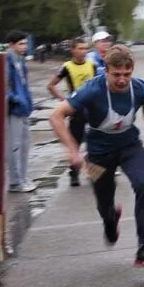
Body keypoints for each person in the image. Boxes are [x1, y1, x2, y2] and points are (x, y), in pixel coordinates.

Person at [49, 45, 144, 267]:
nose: (121, 80)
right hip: (97, 154)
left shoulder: (140, 89)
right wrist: (72, 149)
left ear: (132, 70)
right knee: (103, 202)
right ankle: (110, 219)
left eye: (126, 74)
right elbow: (56, 116)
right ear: (106, 70)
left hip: (130, 146)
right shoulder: (91, 90)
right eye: (116, 75)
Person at [47, 38, 98, 186]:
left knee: (94, 140)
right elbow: (51, 85)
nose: (84, 51)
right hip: (76, 110)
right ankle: (74, 174)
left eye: (86, 48)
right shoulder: (67, 67)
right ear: (73, 50)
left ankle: (92, 172)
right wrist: (63, 100)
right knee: (74, 142)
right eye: (80, 48)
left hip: (92, 109)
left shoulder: (92, 65)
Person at [4, 31, 36, 193]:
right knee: (14, 145)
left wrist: (28, 101)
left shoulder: (20, 60)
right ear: (11, 45)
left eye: (25, 43)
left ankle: (22, 177)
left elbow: (24, 84)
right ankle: (15, 181)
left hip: (23, 108)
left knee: (24, 144)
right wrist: (15, 99)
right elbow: (4, 86)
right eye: (20, 44)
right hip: (14, 108)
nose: (24, 47)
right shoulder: (7, 60)